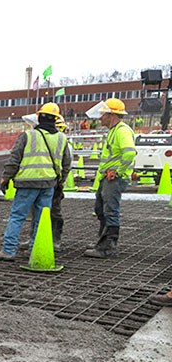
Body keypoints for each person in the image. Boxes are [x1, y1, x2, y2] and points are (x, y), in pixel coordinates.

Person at [0, 103, 69, 261]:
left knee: (17, 217)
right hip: (48, 184)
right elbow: (66, 164)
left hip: (27, 184)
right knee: (41, 219)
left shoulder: (27, 136)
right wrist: (60, 183)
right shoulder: (62, 138)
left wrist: (6, 178)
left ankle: (8, 250)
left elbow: (14, 160)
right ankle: (35, 249)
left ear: (40, 117)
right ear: (56, 119)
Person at [84, 98, 136, 258]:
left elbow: (129, 152)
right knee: (101, 209)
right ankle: (103, 242)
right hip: (108, 178)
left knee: (110, 210)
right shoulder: (115, 130)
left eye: (102, 114)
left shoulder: (122, 131)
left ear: (111, 114)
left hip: (114, 179)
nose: (100, 118)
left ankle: (108, 247)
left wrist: (119, 171)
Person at [48, 116, 72, 251]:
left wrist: (61, 182)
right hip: (47, 180)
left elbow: (66, 164)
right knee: (39, 212)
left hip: (55, 182)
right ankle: (35, 238)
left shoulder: (64, 143)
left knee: (55, 212)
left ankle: (55, 239)